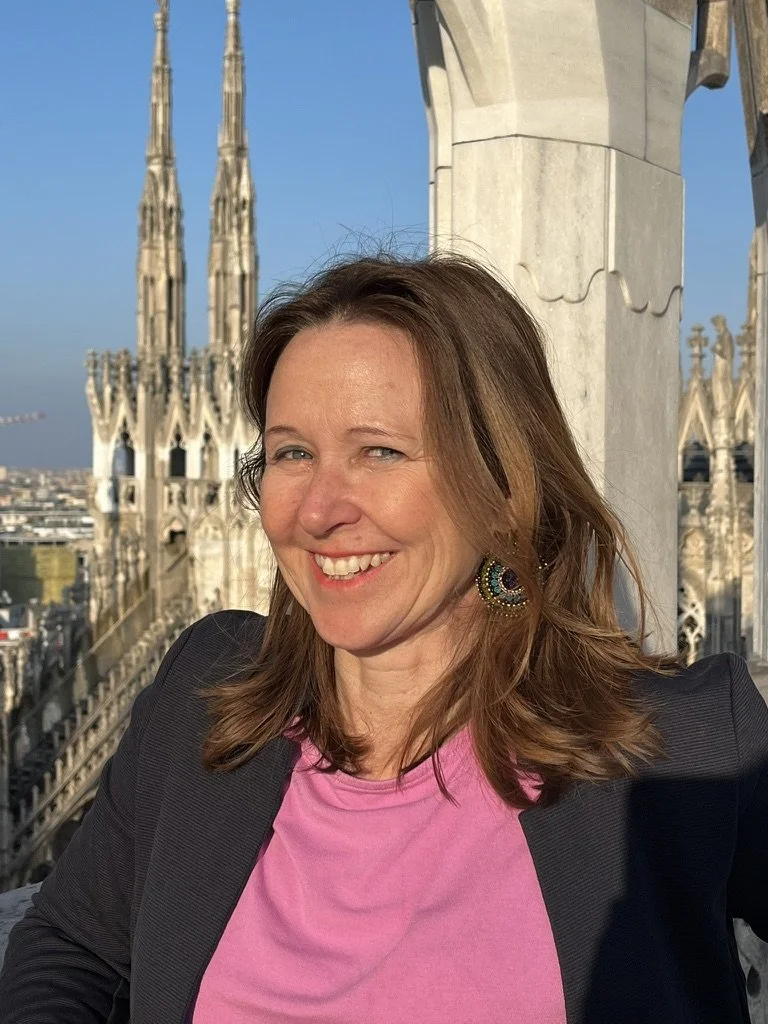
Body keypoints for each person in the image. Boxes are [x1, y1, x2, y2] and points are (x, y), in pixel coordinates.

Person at [0, 253, 766, 1024]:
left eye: (381, 451)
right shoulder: (206, 692)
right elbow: (73, 943)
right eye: (292, 452)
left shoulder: (684, 747)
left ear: (502, 487)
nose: (320, 509)